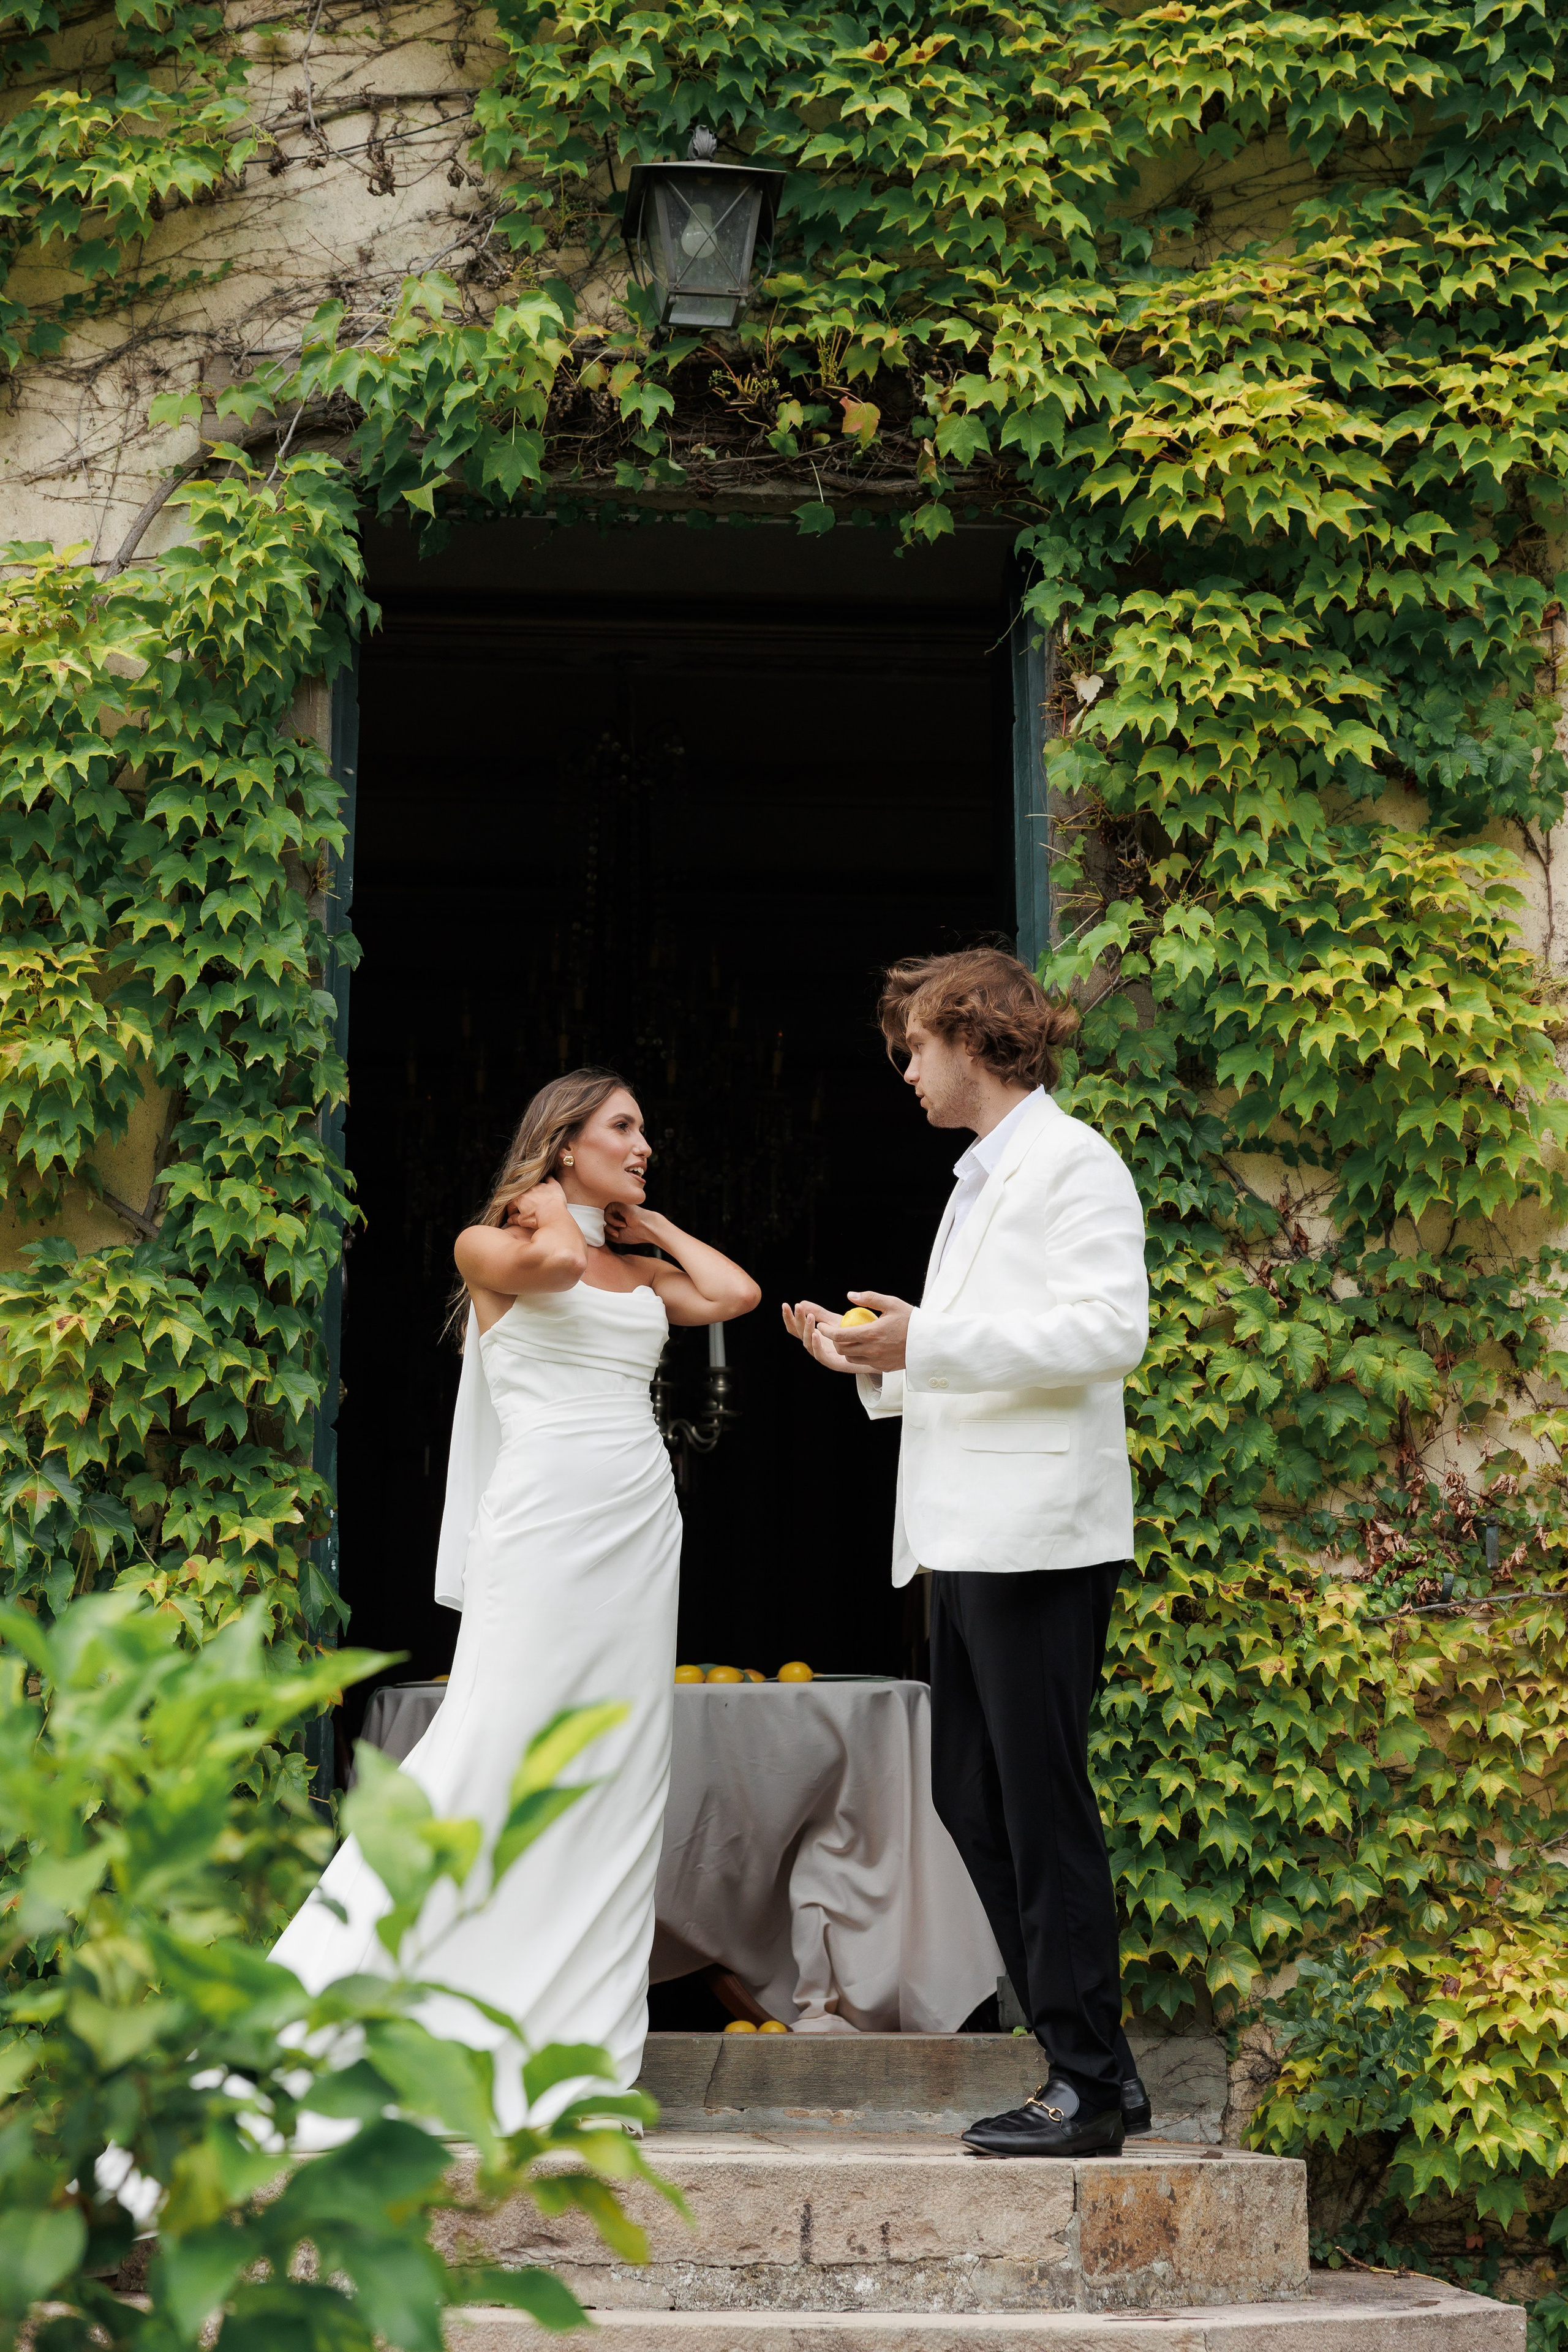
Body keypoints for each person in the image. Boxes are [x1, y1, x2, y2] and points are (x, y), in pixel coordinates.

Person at [274, 1067, 760, 2124]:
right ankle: (396, 2009)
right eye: (624, 1129)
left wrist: (653, 1221)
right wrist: (547, 1209)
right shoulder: (489, 1246)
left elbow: (732, 1296)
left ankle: (574, 2045)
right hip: (543, 1528)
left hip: (639, 1528)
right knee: (497, 1742)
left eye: (645, 1131)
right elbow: (543, 1269)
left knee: (614, 1767)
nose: (644, 1145)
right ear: (563, 1140)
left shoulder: (633, 1268)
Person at [783, 949, 1150, 2158]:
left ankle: (1085, 2086)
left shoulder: (1071, 1163)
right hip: (967, 1535)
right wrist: (873, 1362)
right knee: (971, 1795)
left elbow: (1108, 1330)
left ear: (975, 1036)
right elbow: (962, 1356)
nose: (903, 1070)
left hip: (1037, 1538)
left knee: (1038, 1807)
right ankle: (1095, 2062)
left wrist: (924, 1338)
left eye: (914, 1047)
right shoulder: (976, 1179)